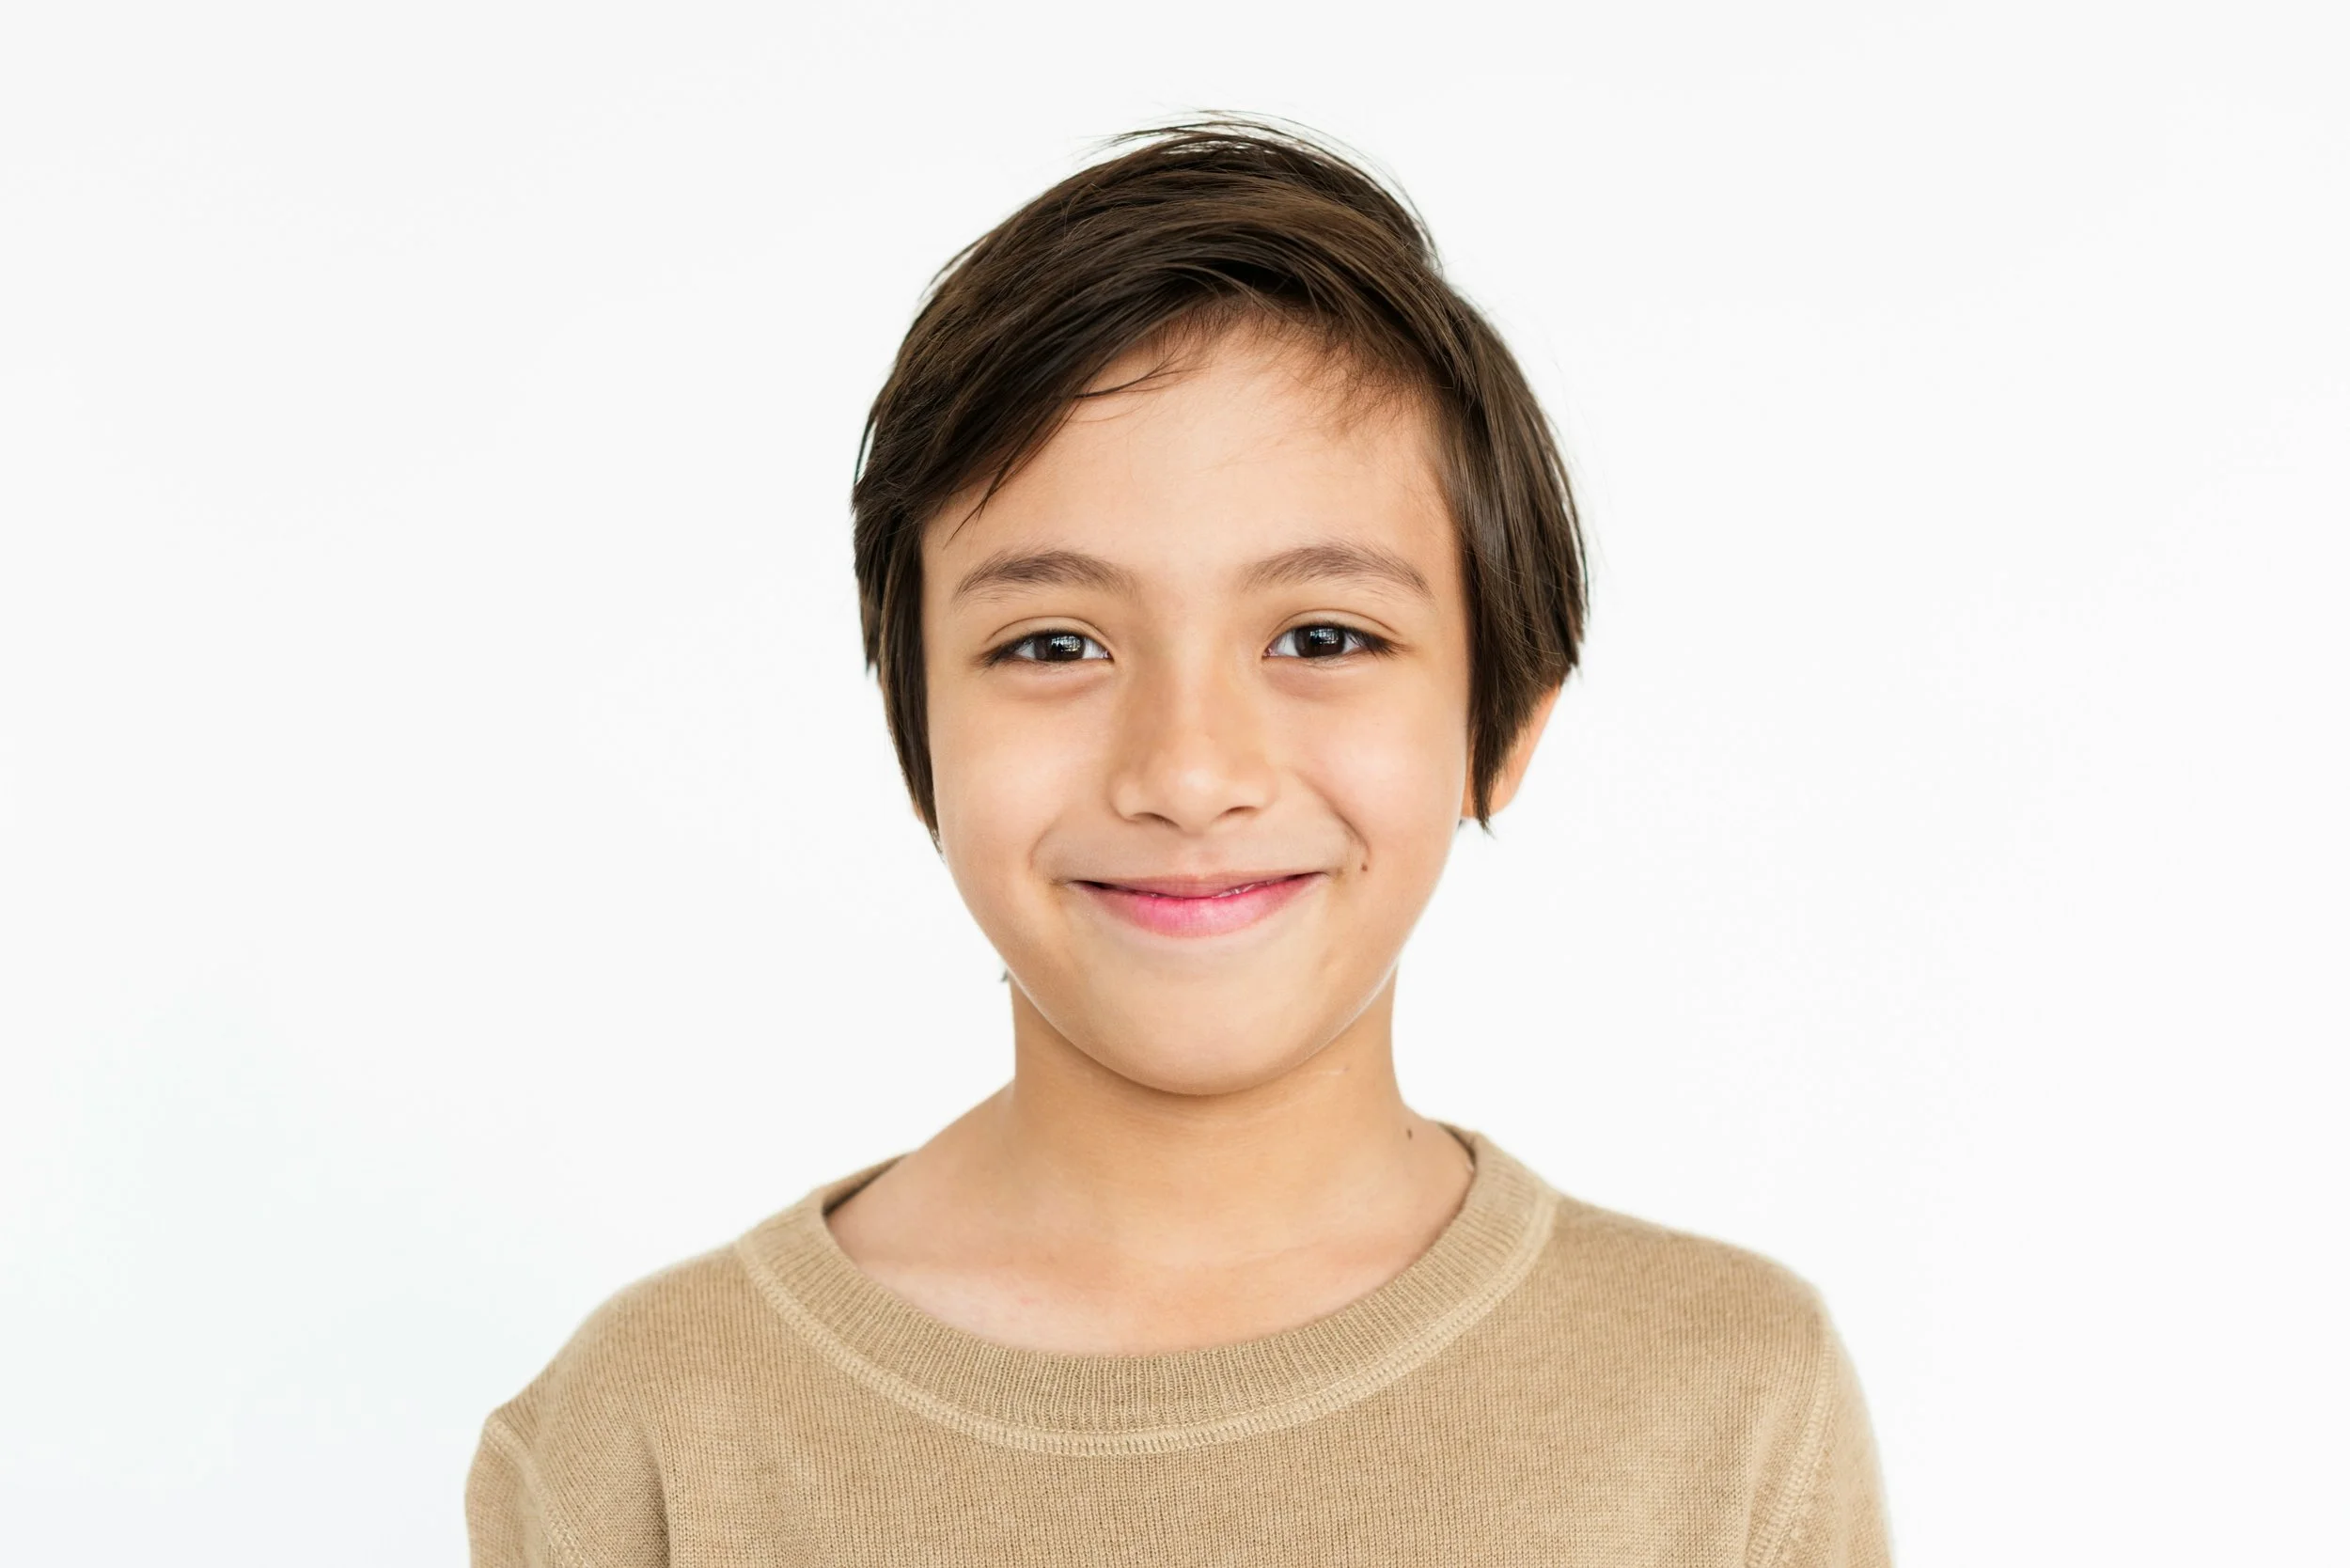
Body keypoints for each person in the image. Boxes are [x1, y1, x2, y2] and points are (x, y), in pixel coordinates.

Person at [465, 119, 1891, 1566]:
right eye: (1054, 643)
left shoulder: (1724, 1399)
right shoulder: (644, 1434)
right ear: (918, 738)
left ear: (1504, 719)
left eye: (1323, 636)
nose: (1190, 772)